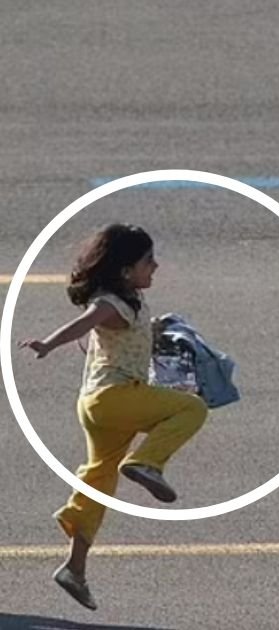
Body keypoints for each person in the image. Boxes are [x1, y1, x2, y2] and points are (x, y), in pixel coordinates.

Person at [19, 224, 209, 611]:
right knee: (191, 408)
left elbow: (115, 336)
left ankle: (74, 570)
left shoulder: (130, 299)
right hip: (114, 399)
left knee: (98, 483)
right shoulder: (111, 302)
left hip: (100, 406)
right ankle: (145, 463)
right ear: (125, 270)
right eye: (148, 261)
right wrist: (48, 344)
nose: (155, 266)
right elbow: (86, 322)